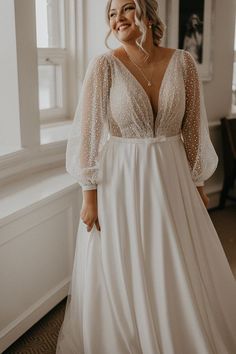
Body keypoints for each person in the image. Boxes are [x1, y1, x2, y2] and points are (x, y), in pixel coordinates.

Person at [56, 0, 236, 353]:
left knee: (175, 256)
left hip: (172, 178)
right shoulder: (104, 66)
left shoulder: (183, 62)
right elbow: (90, 134)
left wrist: (197, 183)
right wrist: (89, 195)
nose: (117, 18)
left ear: (147, 14)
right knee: (127, 260)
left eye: (126, 8)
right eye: (111, 13)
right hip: (119, 179)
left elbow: (194, 129)